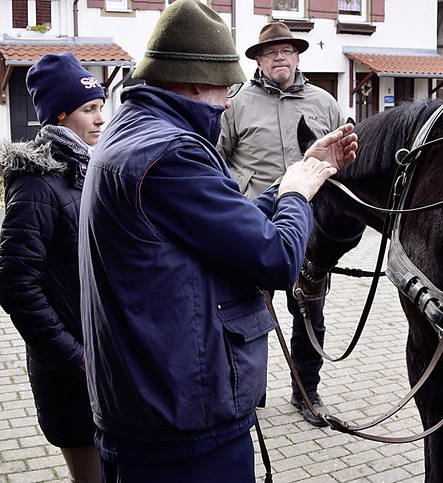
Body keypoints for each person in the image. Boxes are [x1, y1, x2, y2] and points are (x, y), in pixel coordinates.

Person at [77, 0, 357, 481]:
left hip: (152, 409)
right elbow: (275, 257)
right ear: (191, 82)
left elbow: (218, 222)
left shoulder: (138, 133)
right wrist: (297, 194)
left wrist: (289, 177)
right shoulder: (171, 153)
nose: (229, 101)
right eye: (224, 87)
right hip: (181, 423)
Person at [218, 21, 361, 427]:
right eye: (270, 52)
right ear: (259, 60)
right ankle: (250, 396)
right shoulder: (237, 102)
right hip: (253, 226)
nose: (280, 57)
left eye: (287, 51)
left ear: (298, 56)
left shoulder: (324, 102)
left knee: (310, 314)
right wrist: (237, 200)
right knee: (250, 316)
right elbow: (218, 158)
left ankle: (306, 393)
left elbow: (342, 161)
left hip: (310, 228)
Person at [0, 52, 105, 483]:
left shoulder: (87, 169)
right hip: (69, 373)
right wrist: (75, 358)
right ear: (60, 116)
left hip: (100, 360)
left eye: (100, 107)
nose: (100, 119)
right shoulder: (37, 183)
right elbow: (17, 286)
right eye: (88, 110)